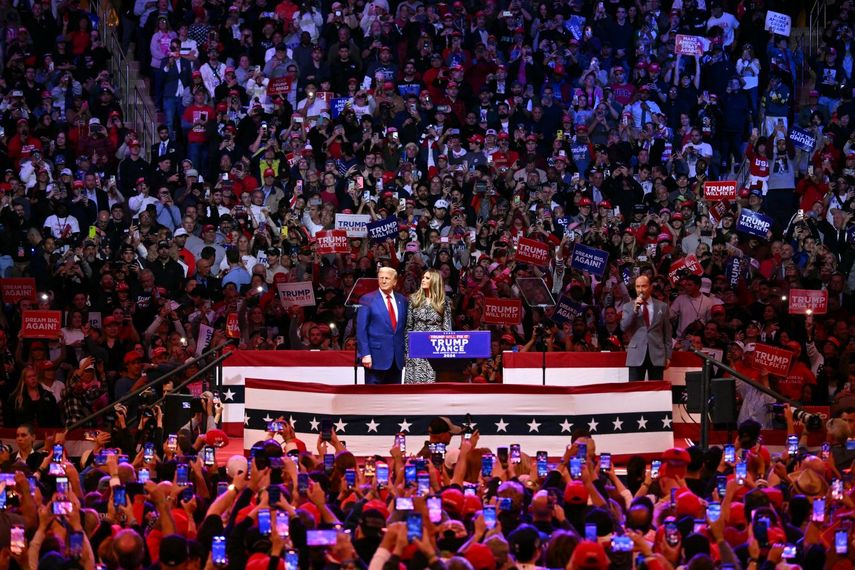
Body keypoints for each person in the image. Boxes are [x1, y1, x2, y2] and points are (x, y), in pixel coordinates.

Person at [356, 266, 408, 384]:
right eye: (381, 278)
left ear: (395, 282)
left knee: (394, 397)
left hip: (396, 360)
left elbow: (403, 328)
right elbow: (361, 330)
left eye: (387, 278)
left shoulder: (402, 300)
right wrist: (365, 354)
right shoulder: (367, 299)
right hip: (375, 358)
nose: (383, 281)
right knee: (373, 398)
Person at [404, 268, 452, 384]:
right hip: (416, 350)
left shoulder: (443, 302)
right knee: (414, 384)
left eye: (427, 278)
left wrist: (445, 355)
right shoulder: (414, 300)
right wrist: (407, 351)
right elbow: (408, 327)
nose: (423, 280)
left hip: (435, 350)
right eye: (423, 278)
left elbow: (447, 329)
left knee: (432, 385)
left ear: (434, 281)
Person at [621, 275, 672, 381]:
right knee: (635, 391)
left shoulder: (662, 306)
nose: (640, 290)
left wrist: (668, 356)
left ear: (650, 287)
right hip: (636, 354)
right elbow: (623, 326)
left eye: (643, 286)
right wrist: (634, 310)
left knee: (657, 391)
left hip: (657, 354)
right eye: (637, 286)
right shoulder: (628, 307)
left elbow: (667, 333)